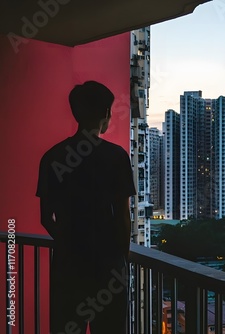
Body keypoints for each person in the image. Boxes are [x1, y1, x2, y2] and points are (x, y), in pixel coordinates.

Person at [36, 81, 136, 333]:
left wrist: (70, 243)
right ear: (105, 113)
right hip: (107, 268)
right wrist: (121, 259)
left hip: (67, 268)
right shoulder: (116, 156)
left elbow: (46, 218)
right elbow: (123, 217)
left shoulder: (52, 157)